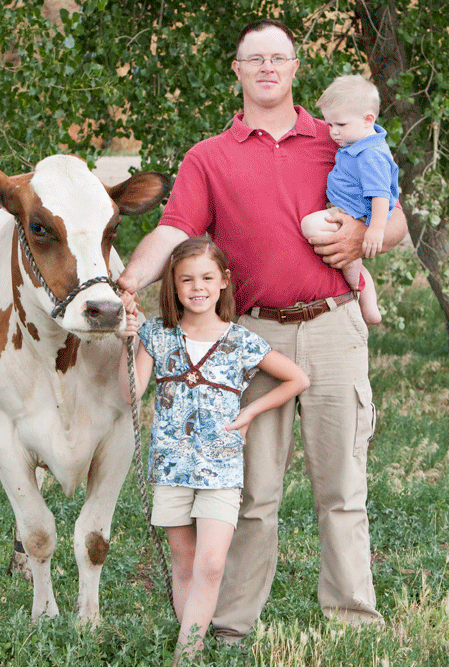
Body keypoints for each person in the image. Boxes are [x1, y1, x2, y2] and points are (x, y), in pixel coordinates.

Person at [117, 19, 409, 640]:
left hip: (333, 326)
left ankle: (353, 617)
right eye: (256, 59)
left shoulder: (337, 140)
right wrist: (127, 284)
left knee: (342, 485)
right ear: (238, 70)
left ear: (296, 67)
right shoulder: (209, 157)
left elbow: (396, 220)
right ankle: (229, 625)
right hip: (250, 338)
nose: (268, 68)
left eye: (279, 57)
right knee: (250, 493)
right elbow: (172, 233)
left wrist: (362, 238)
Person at [118, 237, 309, 663]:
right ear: (173, 284)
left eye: (207, 278)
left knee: (211, 566)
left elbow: (296, 379)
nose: (197, 287)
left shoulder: (240, 341)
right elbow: (129, 393)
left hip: (221, 468)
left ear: (223, 282)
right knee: (185, 565)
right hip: (170, 468)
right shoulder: (156, 335)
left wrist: (250, 412)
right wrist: (130, 341)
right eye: (186, 279)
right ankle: (195, 649)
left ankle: (185, 656)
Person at [300, 74, 400, 325]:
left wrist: (375, 230)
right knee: (353, 263)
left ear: (368, 120)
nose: (332, 132)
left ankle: (358, 287)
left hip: (356, 214)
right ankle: (369, 303)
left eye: (340, 125)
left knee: (311, 226)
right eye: (329, 124)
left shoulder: (371, 154)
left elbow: (380, 195)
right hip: (346, 209)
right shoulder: (356, 143)